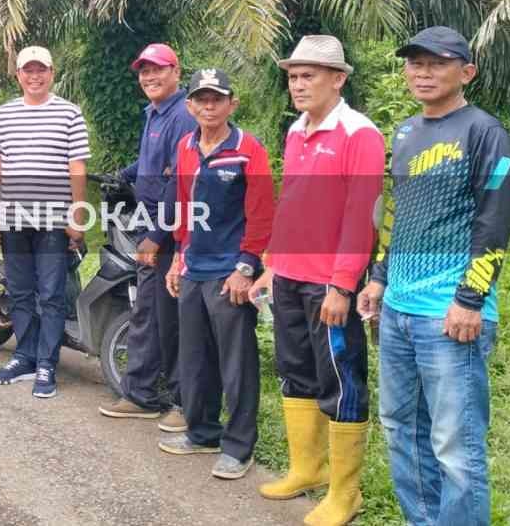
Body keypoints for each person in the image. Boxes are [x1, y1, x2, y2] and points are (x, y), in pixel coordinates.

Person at [358, 27, 510, 526]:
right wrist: (379, 278)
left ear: (466, 72)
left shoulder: (485, 132)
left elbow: (494, 221)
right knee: (400, 427)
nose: (422, 72)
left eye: (437, 63)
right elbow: (398, 217)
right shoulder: (405, 133)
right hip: (399, 310)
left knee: (455, 444)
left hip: (449, 314)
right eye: (415, 63)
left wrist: (470, 299)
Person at [244, 36, 384, 525]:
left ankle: (346, 492)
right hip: (291, 278)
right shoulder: (296, 131)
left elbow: (359, 216)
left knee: (341, 381)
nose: (298, 85)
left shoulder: (358, 133)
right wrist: (273, 263)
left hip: (330, 284)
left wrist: (343, 284)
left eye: (309, 76)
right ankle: (308, 468)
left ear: (338, 79)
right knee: (295, 370)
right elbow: (294, 204)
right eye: (293, 76)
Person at [161, 69, 274, 481]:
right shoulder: (185, 146)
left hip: (231, 274)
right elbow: (185, 209)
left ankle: (239, 446)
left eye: (217, 99)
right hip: (193, 269)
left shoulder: (249, 150)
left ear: (232, 104)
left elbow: (262, 214)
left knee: (236, 362)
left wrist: (246, 268)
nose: (209, 106)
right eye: (201, 99)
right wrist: (177, 258)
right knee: (194, 358)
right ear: (189, 106)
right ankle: (203, 431)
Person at [0, 46, 90, 399]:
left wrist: (77, 212)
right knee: (20, 291)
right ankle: (25, 355)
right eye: (27, 71)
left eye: (40, 70)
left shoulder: (69, 114)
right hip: (13, 218)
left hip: (53, 221)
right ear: (18, 75)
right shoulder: (5, 114)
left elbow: (77, 167)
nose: (34, 76)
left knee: (51, 294)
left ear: (51, 73)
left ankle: (47, 361)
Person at [100, 43, 196, 433]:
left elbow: (179, 180)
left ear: (176, 71)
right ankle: (140, 394)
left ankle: (181, 402)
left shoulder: (183, 116)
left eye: (157, 70)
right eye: (143, 71)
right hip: (150, 222)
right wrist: (124, 174)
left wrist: (156, 236)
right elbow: (152, 163)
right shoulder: (155, 113)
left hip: (170, 233)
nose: (149, 77)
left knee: (172, 320)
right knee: (149, 314)